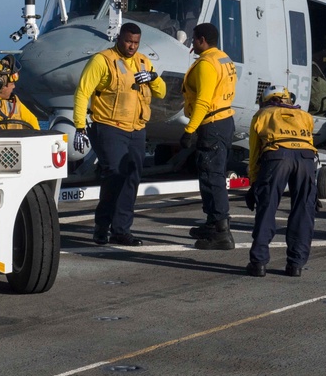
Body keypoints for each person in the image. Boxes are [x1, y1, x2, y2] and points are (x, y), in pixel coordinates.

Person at [73, 22, 166, 247]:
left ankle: (121, 230)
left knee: (132, 177)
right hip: (109, 126)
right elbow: (83, 91)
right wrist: (79, 126)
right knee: (115, 173)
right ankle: (102, 226)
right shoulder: (102, 60)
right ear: (119, 39)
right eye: (128, 41)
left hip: (137, 129)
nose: (132, 46)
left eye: (136, 42)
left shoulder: (144, 62)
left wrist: (153, 78)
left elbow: (162, 93)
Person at [245, 85, 319, 278]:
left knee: (267, 208)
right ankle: (296, 265)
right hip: (306, 159)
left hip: (277, 156)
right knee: (304, 210)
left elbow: (254, 152)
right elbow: (309, 142)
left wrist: (254, 182)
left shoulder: (263, 115)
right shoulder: (305, 116)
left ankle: (259, 263)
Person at [181, 23, 238, 250]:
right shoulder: (225, 59)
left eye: (194, 39)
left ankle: (221, 233)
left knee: (211, 176)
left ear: (202, 40)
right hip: (225, 121)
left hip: (212, 123)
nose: (192, 43)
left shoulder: (206, 64)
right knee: (214, 173)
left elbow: (204, 100)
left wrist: (189, 130)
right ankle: (213, 223)